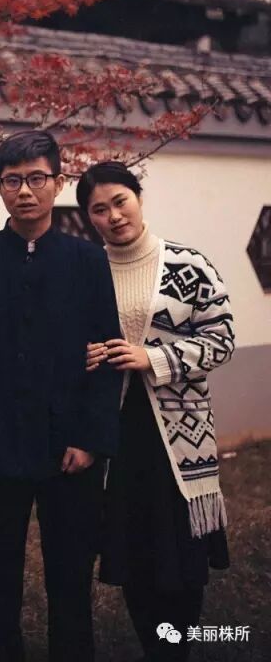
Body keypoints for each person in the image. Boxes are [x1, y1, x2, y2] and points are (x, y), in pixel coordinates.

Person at [0, 130, 123, 662]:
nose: (25, 191)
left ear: (58, 183)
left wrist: (90, 440)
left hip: (70, 448)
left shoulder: (87, 260)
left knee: (71, 575)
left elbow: (107, 353)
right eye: (12, 180)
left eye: (37, 179)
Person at [75, 161, 234, 662]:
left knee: (180, 553)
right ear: (88, 218)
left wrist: (155, 358)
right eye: (99, 209)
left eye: (120, 201)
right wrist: (81, 355)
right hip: (115, 435)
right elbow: (62, 342)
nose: (113, 216)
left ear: (139, 198)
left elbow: (222, 339)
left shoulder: (190, 266)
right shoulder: (85, 272)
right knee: (133, 551)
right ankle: (155, 646)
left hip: (178, 436)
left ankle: (177, 647)